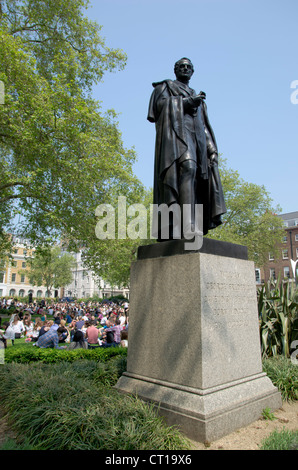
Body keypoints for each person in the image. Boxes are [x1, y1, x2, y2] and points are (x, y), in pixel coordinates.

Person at [147, 57, 226, 239]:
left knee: (196, 179)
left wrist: (212, 148)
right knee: (188, 168)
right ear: (175, 70)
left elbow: (204, 126)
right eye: (181, 66)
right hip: (175, 140)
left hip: (196, 141)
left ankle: (192, 223)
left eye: (188, 66)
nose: (184, 68)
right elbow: (159, 109)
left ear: (192, 71)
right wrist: (186, 103)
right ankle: (185, 224)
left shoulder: (198, 97)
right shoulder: (165, 88)